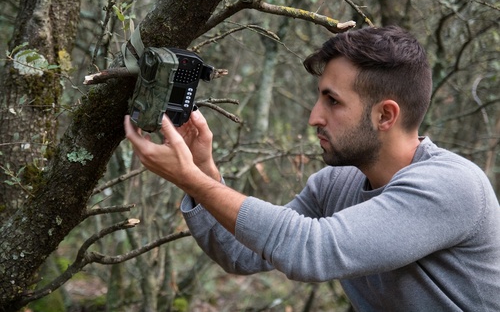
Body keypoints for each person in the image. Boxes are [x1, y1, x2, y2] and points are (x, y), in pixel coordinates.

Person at [124, 26, 500, 311]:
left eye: (333, 101)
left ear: (385, 115)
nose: (313, 117)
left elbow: (312, 250)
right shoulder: (336, 184)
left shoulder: (452, 186)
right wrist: (202, 169)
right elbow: (241, 254)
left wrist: (189, 177)